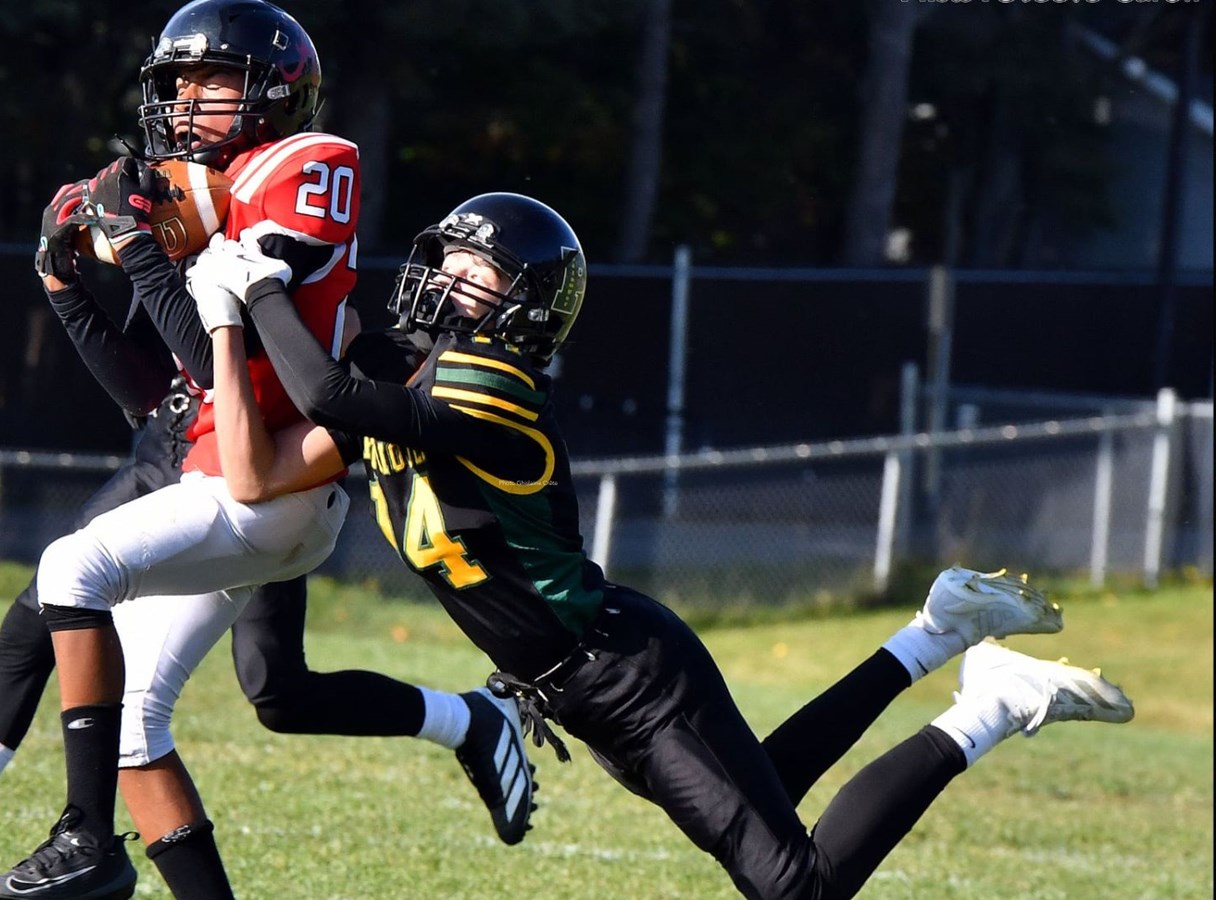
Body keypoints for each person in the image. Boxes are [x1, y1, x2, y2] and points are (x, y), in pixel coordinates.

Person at [182, 191, 1138, 900]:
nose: (450, 280)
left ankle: (991, 706)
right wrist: (246, 278)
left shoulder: (493, 382)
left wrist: (255, 289)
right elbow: (298, 389)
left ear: (525, 306)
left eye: (481, 273)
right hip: (595, 673)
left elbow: (329, 395)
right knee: (769, 786)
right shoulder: (415, 362)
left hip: (622, 675)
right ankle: (933, 634)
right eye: (450, 261)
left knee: (795, 886)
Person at [0, 3, 533, 896]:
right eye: (178, 83)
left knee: (77, 578)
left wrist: (145, 249)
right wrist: (68, 281)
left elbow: (229, 353)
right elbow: (167, 390)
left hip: (265, 483)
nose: (187, 101)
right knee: (144, 720)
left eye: (211, 81)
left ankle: (77, 838)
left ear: (272, 91)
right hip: (224, 471)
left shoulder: (307, 165)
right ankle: (7, 837)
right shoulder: (214, 191)